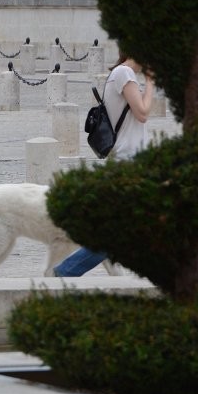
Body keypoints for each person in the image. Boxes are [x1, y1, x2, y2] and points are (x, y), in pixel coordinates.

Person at [53, 51, 156, 276]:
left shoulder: (122, 74)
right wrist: (150, 83)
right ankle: (64, 272)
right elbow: (142, 112)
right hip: (128, 164)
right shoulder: (124, 73)